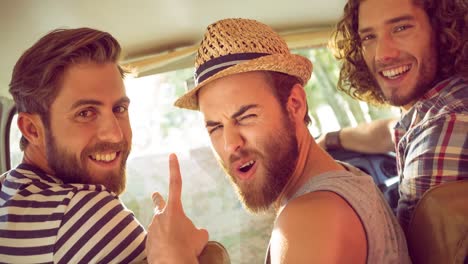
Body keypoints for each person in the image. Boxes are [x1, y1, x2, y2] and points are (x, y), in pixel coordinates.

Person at [147, 18, 411, 263]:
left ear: (295, 105)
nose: (230, 144)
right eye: (215, 127)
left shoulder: (311, 218)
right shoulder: (341, 181)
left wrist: (175, 258)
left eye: (246, 116)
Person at [0, 27, 208, 263]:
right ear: (32, 129)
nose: (115, 134)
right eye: (86, 113)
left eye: (119, 109)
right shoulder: (84, 213)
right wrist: (178, 255)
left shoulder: (8, 191)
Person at [322, 0, 468, 232]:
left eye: (401, 28)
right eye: (369, 37)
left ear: (441, 30)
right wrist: (329, 139)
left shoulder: (445, 123)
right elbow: (390, 130)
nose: (383, 54)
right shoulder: (439, 107)